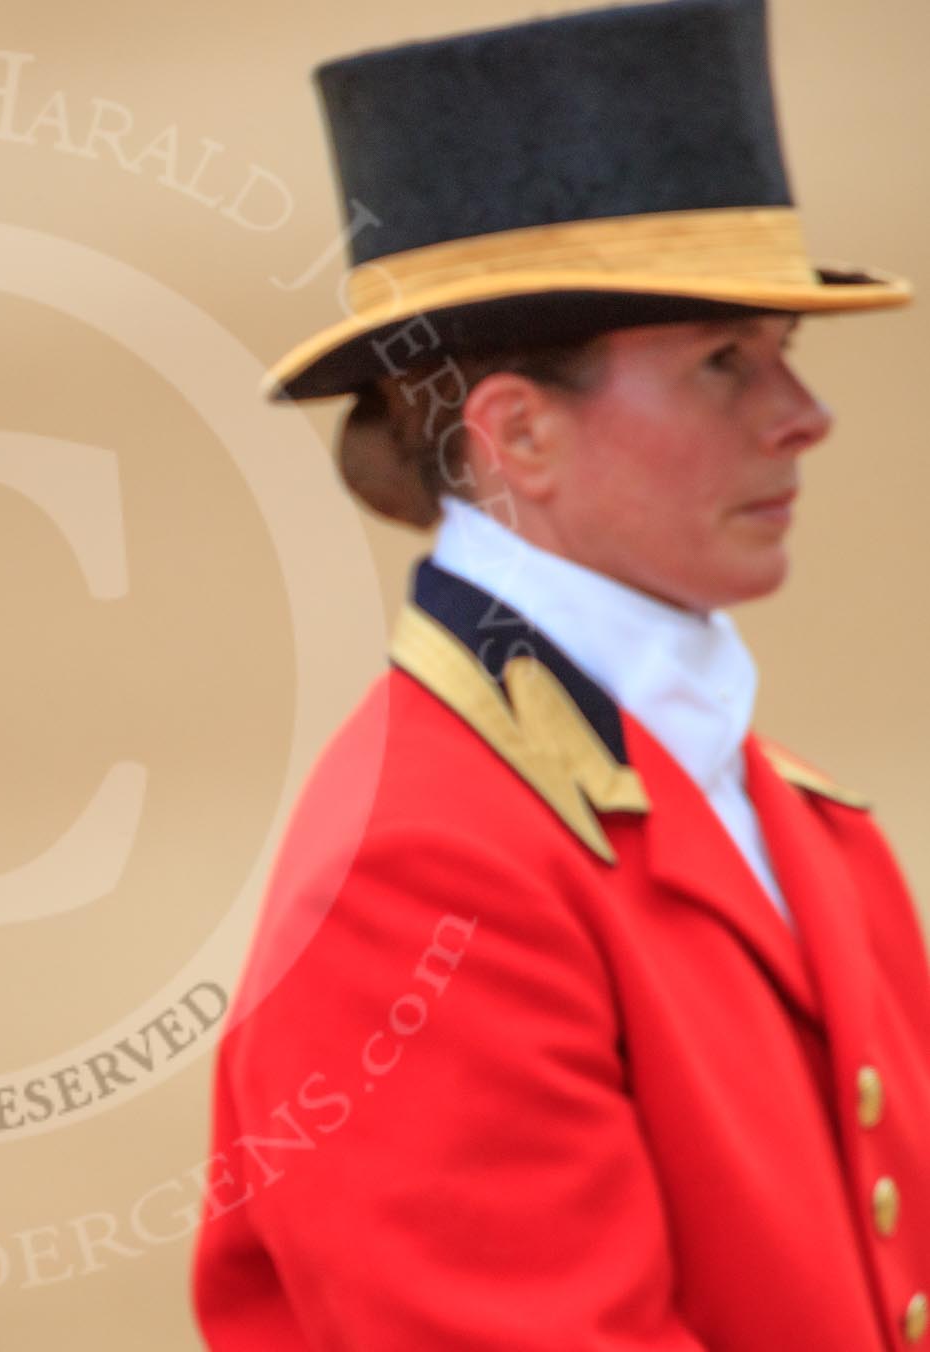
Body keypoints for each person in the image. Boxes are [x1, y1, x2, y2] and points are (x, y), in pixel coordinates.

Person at [193, 2, 930, 1348]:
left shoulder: (790, 811)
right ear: (519, 434)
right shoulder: (418, 876)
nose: (805, 417)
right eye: (725, 362)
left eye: (788, 353)